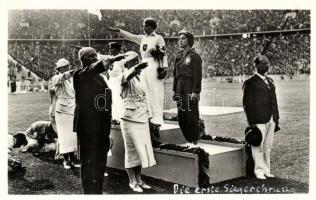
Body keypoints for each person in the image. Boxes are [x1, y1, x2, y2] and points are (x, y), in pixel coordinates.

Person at [73, 47, 124, 194]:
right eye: (91, 56)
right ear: (83, 59)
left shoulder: (101, 78)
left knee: (100, 164)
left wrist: (107, 130)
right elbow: (93, 69)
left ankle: (98, 193)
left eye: (96, 55)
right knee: (89, 165)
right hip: (87, 129)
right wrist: (111, 60)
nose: (95, 58)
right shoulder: (79, 75)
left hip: (101, 128)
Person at [108, 17, 168, 137]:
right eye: (143, 26)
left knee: (155, 92)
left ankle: (157, 120)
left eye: (146, 26)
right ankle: (148, 116)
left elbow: (163, 54)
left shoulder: (158, 38)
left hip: (154, 66)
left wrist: (165, 68)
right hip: (143, 66)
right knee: (144, 91)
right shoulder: (142, 38)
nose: (144, 28)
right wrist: (119, 31)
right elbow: (130, 36)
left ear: (152, 27)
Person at [119, 51, 156, 193]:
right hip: (129, 118)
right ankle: (132, 181)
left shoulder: (140, 78)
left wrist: (150, 116)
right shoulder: (123, 76)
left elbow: (145, 99)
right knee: (131, 150)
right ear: (127, 64)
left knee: (141, 149)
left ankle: (139, 179)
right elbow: (126, 78)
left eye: (137, 60)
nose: (137, 62)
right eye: (134, 61)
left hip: (141, 118)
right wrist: (136, 69)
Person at [242, 55, 280, 180]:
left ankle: (267, 170)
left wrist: (276, 117)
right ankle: (259, 171)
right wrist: (251, 123)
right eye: (264, 63)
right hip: (258, 119)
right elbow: (247, 104)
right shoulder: (250, 82)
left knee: (267, 147)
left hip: (271, 118)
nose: (267, 65)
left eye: (268, 63)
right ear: (256, 65)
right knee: (257, 145)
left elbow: (274, 100)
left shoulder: (270, 80)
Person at [172, 30, 202, 146]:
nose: (180, 40)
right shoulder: (178, 56)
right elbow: (175, 74)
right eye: (179, 38)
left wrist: (196, 92)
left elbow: (198, 76)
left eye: (183, 38)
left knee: (191, 114)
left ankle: (194, 141)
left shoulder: (195, 57)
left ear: (189, 40)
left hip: (190, 87)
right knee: (181, 115)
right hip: (180, 88)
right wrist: (175, 90)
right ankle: (188, 139)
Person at [52, 58, 79, 169]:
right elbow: (63, 77)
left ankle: (72, 160)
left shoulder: (72, 79)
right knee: (64, 136)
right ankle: (65, 160)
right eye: (65, 67)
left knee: (73, 136)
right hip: (62, 110)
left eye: (68, 66)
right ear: (59, 69)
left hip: (72, 108)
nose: (67, 68)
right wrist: (75, 71)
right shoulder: (56, 78)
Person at [107, 42, 125, 125]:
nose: (110, 50)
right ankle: (115, 117)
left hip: (119, 81)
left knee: (119, 99)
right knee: (112, 100)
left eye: (112, 48)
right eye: (110, 48)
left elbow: (125, 71)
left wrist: (123, 82)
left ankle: (121, 117)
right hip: (111, 81)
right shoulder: (110, 58)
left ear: (117, 49)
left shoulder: (122, 59)